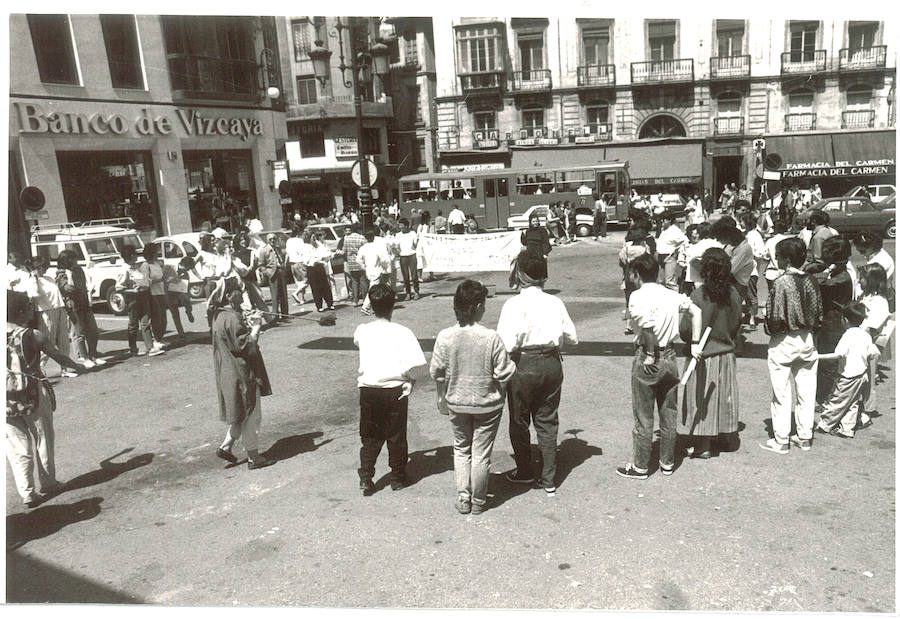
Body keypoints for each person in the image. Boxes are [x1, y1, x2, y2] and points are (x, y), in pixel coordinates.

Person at [430, 280, 516, 515]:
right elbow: (503, 371)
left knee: (461, 449)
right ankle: (479, 500)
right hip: (487, 404)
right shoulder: (491, 338)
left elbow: (436, 371)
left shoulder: (445, 336)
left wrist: (441, 397)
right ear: (478, 306)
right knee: (481, 452)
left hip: (456, 401)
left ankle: (463, 497)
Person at [496, 251, 578, 495]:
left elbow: (504, 343)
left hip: (523, 364)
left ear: (520, 274)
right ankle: (549, 477)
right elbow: (572, 337)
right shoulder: (555, 302)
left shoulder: (512, 305)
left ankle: (524, 470)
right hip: (551, 362)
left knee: (519, 420)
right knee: (547, 418)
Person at [616, 253, 703, 479]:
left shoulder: (637, 296)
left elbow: (648, 330)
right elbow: (696, 311)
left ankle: (641, 466)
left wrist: (650, 355)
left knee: (644, 415)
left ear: (636, 274)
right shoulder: (671, 294)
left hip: (649, 354)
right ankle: (667, 462)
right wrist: (694, 343)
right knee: (668, 411)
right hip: (670, 355)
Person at [6, 290, 85, 508]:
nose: (33, 309)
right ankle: (48, 482)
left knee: (16, 446)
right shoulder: (32, 335)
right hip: (32, 394)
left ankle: (27, 492)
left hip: (5, 399)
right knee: (42, 437)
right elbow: (58, 355)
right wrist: (77, 366)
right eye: (30, 306)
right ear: (21, 311)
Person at [353, 283, 426, 495]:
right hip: (394, 388)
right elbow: (416, 363)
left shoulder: (362, 330)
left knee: (370, 436)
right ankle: (398, 478)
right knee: (396, 436)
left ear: (372, 305)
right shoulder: (402, 332)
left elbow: (357, 340)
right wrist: (410, 380)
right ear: (393, 306)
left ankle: (366, 476)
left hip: (368, 388)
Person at [678, 248, 743, 459]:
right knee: (725, 396)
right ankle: (725, 436)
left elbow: (686, 330)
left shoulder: (699, 295)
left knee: (703, 399)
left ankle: (703, 444)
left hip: (704, 354)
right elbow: (736, 323)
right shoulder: (733, 293)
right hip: (726, 352)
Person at [761, 237, 823, 454]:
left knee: (781, 391)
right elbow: (818, 313)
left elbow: (775, 317)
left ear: (787, 259)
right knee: (807, 390)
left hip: (784, 339)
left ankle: (781, 440)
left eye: (778, 256)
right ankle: (805, 436)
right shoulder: (812, 280)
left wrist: (767, 318)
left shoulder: (781, 282)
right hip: (807, 339)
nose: (776, 259)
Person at [210, 279, 274, 470]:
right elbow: (247, 345)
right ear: (229, 295)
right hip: (241, 373)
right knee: (251, 414)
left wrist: (246, 318)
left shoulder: (219, 315)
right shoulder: (232, 318)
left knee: (241, 413)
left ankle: (226, 446)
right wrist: (256, 326)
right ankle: (254, 457)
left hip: (228, 372)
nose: (242, 293)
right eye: (239, 290)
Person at [814, 302, 878, 439]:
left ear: (845, 320)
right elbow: (872, 353)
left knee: (837, 401)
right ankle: (847, 428)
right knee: (853, 402)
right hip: (861, 375)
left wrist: (818, 356)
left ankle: (825, 424)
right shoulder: (866, 335)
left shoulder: (847, 335)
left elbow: (838, 354)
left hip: (848, 376)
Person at [814, 237, 854, 403]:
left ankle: (825, 398)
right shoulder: (838, 272)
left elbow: (821, 284)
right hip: (830, 321)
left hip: (834, 322)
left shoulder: (841, 278)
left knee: (828, 362)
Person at [56, 250, 104, 368]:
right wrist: (70, 274)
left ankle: (93, 355)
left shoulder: (79, 270)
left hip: (84, 303)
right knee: (79, 333)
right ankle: (85, 357)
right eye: (74, 259)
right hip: (73, 305)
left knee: (93, 331)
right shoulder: (61, 273)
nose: (76, 261)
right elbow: (68, 288)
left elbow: (83, 285)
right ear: (68, 260)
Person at [858, 264, 891, 424]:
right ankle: (859, 406)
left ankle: (868, 410)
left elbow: (872, 326)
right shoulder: (866, 296)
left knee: (869, 378)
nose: (859, 281)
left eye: (862, 278)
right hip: (861, 343)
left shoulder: (879, 301)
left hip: (871, 345)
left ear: (872, 280)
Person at [30, 257, 73, 376]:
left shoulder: (49, 278)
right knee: (47, 341)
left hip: (59, 309)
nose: (46, 269)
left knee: (63, 340)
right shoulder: (32, 281)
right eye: (43, 267)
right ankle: (38, 369)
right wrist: (34, 278)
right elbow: (34, 294)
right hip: (46, 312)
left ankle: (65, 369)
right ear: (37, 268)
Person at [116, 247, 156, 357]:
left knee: (145, 321)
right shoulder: (124, 269)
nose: (137, 256)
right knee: (133, 324)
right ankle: (133, 348)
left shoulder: (135, 267)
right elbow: (118, 287)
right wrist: (132, 290)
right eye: (135, 254)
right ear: (131, 256)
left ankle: (150, 347)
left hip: (142, 296)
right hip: (132, 299)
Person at [138, 244, 170, 349]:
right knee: (157, 317)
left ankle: (160, 338)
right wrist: (159, 280)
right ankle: (156, 340)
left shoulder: (157, 263)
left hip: (161, 292)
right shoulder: (145, 265)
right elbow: (145, 281)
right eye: (156, 251)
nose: (158, 253)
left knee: (163, 318)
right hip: (152, 293)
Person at [232, 232, 269, 314]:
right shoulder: (234, 255)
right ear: (237, 242)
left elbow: (257, 264)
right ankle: (252, 323)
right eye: (241, 240)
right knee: (247, 304)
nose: (244, 241)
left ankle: (269, 319)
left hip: (252, 280)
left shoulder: (252, 252)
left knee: (260, 300)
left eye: (245, 239)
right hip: (242, 283)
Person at [357, 230, 392, 316]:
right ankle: (365, 307)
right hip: (377, 270)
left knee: (377, 287)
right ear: (373, 237)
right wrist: (385, 266)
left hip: (368, 270)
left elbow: (358, 260)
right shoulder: (377, 247)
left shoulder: (363, 247)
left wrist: (364, 266)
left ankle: (378, 305)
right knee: (373, 289)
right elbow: (384, 259)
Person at [853, 232, 895, 302]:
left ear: (871, 247)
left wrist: (855, 283)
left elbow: (867, 286)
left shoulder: (879, 262)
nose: (861, 254)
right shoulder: (877, 253)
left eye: (862, 251)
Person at [258, 233, 289, 324]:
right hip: (272, 274)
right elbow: (261, 264)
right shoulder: (264, 250)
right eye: (271, 239)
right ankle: (275, 315)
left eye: (274, 239)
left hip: (281, 272)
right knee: (275, 295)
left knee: (283, 294)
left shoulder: (278, 248)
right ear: (267, 240)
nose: (272, 240)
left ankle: (285, 314)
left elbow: (283, 257)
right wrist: (266, 272)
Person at [743, 213, 768, 325]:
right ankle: (749, 314)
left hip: (751, 269)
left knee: (751, 294)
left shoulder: (754, 235)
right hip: (744, 269)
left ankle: (752, 318)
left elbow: (761, 252)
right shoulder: (748, 234)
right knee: (745, 294)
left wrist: (750, 254)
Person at [656, 211, 688, 291]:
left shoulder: (675, 230)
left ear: (669, 220)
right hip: (661, 256)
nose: (662, 222)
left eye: (664, 220)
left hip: (669, 257)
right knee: (661, 282)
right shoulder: (664, 229)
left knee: (670, 282)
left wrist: (676, 252)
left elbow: (685, 241)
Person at [306, 231, 336, 312]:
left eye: (315, 238)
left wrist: (327, 257)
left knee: (325, 286)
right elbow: (307, 261)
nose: (314, 239)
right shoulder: (306, 247)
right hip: (312, 269)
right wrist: (318, 260)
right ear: (309, 239)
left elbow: (324, 254)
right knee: (316, 288)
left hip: (320, 268)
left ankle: (330, 303)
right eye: (312, 238)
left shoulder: (318, 246)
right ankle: (319, 306)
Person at [342, 223, 368, 307]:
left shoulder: (347, 239)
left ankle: (355, 300)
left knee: (354, 282)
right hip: (360, 262)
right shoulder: (361, 238)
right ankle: (365, 300)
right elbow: (366, 248)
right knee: (363, 281)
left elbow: (344, 251)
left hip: (351, 262)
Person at [396, 218, 420, 301]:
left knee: (414, 275)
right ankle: (408, 293)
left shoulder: (413, 233)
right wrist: (399, 252)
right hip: (403, 257)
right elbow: (397, 246)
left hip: (412, 255)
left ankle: (416, 292)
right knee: (405, 276)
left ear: (406, 226)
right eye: (399, 225)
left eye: (401, 225)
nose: (400, 227)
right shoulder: (398, 235)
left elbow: (416, 244)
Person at [285, 226, 310, 305]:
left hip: (292, 263)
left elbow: (287, 253)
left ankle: (302, 299)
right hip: (300, 261)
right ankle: (296, 293)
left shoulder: (288, 241)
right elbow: (302, 251)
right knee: (306, 281)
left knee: (299, 282)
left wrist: (286, 263)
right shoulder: (300, 240)